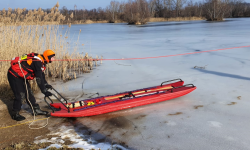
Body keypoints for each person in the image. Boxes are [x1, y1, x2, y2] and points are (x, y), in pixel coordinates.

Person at [7, 49, 55, 121]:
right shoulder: (38, 62)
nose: (54, 59)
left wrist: (45, 84)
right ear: (47, 57)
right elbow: (38, 78)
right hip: (14, 75)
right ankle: (15, 114)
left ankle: (36, 110)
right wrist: (44, 91)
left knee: (29, 93)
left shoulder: (42, 61)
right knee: (20, 95)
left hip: (22, 75)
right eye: (52, 57)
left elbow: (41, 74)